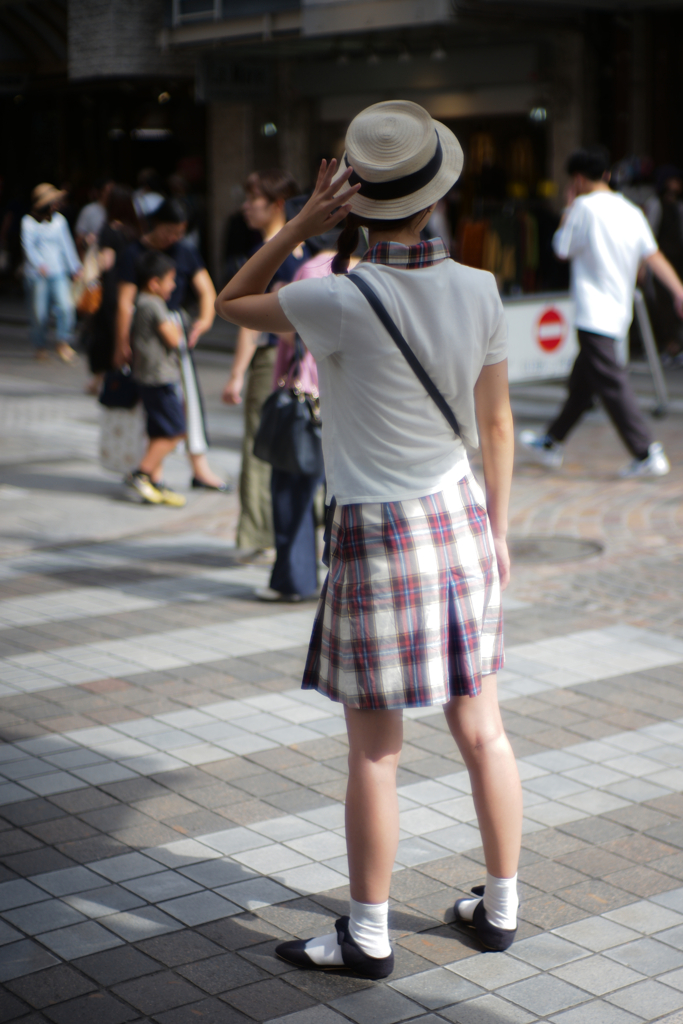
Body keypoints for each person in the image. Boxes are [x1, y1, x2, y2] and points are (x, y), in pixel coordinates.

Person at [216, 100, 521, 976]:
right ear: (436, 193)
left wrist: (303, 226)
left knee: (376, 754)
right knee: (483, 732)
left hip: (378, 537)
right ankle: (498, 910)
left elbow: (234, 301)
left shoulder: (337, 298)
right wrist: (498, 535)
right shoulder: (481, 286)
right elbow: (495, 429)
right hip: (460, 519)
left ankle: (369, 935)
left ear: (354, 198)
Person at [521, 146, 683, 479]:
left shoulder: (582, 207)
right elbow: (652, 257)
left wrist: (568, 207)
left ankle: (646, 452)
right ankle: (551, 442)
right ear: (607, 175)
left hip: (593, 313)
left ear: (577, 179)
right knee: (583, 385)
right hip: (618, 311)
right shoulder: (630, 210)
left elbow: (561, 249)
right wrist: (678, 290)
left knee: (610, 383)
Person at [222, 170, 309, 561]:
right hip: (305, 364)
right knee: (300, 441)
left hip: (273, 359)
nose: (245, 206)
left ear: (276, 204)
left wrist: (237, 374)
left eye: (252, 198)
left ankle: (258, 535)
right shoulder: (306, 251)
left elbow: (248, 324)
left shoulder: (273, 254)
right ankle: (297, 531)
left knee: (259, 448)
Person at [116, 198, 228, 491]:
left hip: (173, 332)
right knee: (161, 412)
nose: (175, 237)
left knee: (187, 403)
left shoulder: (185, 251)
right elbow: (124, 304)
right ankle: (151, 473)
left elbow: (206, 291)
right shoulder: (133, 253)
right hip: (150, 337)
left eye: (180, 231)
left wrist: (204, 321)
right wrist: (121, 342)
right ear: (156, 224)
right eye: (170, 230)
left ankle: (193, 468)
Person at [257, 250, 332, 603]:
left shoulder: (311, 269)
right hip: (346, 402)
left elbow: (294, 330)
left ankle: (294, 580)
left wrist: (278, 292)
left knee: (292, 492)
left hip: (306, 401)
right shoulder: (371, 267)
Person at [127, 250, 186, 507]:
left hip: (147, 376)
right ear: (154, 282)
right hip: (160, 377)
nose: (173, 286)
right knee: (175, 431)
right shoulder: (153, 304)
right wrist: (179, 328)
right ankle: (141, 473)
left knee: (158, 430)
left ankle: (152, 479)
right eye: (170, 280)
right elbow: (174, 339)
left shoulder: (141, 301)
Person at [21, 183, 82, 363]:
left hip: (59, 271)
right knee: (39, 314)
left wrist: (75, 267)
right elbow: (28, 246)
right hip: (37, 275)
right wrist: (39, 264)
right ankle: (39, 346)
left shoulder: (59, 221)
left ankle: (63, 341)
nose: (57, 204)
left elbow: (67, 245)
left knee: (66, 307)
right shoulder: (28, 222)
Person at [86, 185, 141, 380]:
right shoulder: (136, 230)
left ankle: (101, 379)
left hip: (112, 287)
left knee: (106, 333)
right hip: (133, 285)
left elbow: (106, 263)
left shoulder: (109, 229)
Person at [645, 166, 683, 364]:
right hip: (661, 258)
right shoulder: (656, 204)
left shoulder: (678, 205)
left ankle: (676, 345)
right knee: (662, 304)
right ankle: (669, 345)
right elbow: (650, 234)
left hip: (678, 261)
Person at [75, 178, 113, 255]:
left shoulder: (117, 211)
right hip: (94, 258)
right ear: (101, 192)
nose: (112, 194)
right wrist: (87, 240)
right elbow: (78, 238)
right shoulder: (89, 211)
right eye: (109, 191)